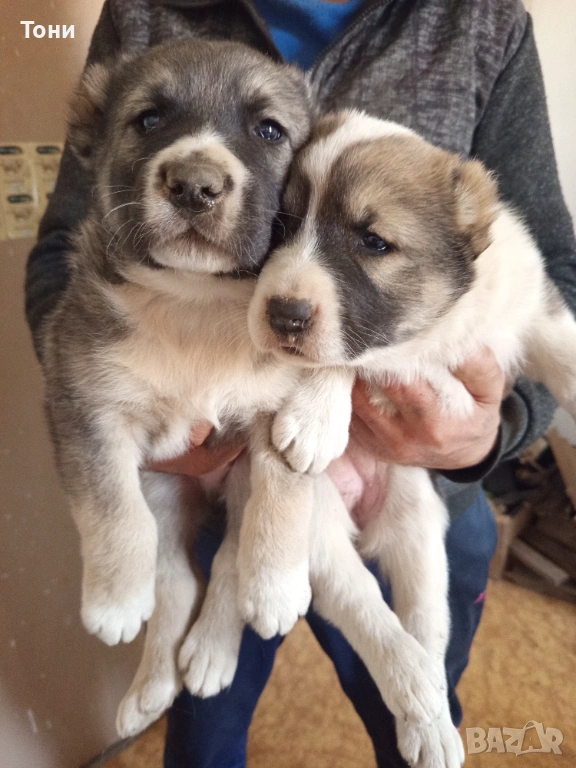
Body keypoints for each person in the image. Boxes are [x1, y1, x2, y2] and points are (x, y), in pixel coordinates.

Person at [25, 1, 576, 766]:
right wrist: (109, 395)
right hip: (223, 486)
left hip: (416, 483)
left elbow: (549, 267)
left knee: (420, 714)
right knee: (205, 728)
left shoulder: (484, 21)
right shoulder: (141, 10)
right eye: (151, 120)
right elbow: (65, 244)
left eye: (267, 132)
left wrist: (496, 429)